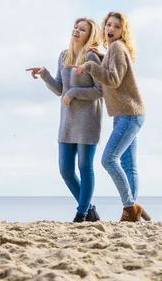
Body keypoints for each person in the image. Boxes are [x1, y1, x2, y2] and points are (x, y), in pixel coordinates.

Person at [72, 11, 150, 222]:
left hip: (129, 115)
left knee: (108, 160)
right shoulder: (115, 50)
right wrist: (101, 57)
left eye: (116, 26)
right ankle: (131, 210)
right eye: (108, 25)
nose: (110, 29)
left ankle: (130, 208)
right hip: (128, 114)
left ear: (122, 31)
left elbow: (113, 79)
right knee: (129, 165)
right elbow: (116, 70)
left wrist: (89, 65)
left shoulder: (117, 47)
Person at [26, 18, 104, 222]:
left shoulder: (91, 58)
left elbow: (100, 90)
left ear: (90, 34)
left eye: (82, 29)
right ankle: (89, 208)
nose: (76, 31)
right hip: (67, 121)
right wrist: (44, 74)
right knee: (66, 170)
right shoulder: (63, 56)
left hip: (88, 120)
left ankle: (81, 214)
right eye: (75, 27)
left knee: (85, 167)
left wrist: (76, 92)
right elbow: (60, 89)